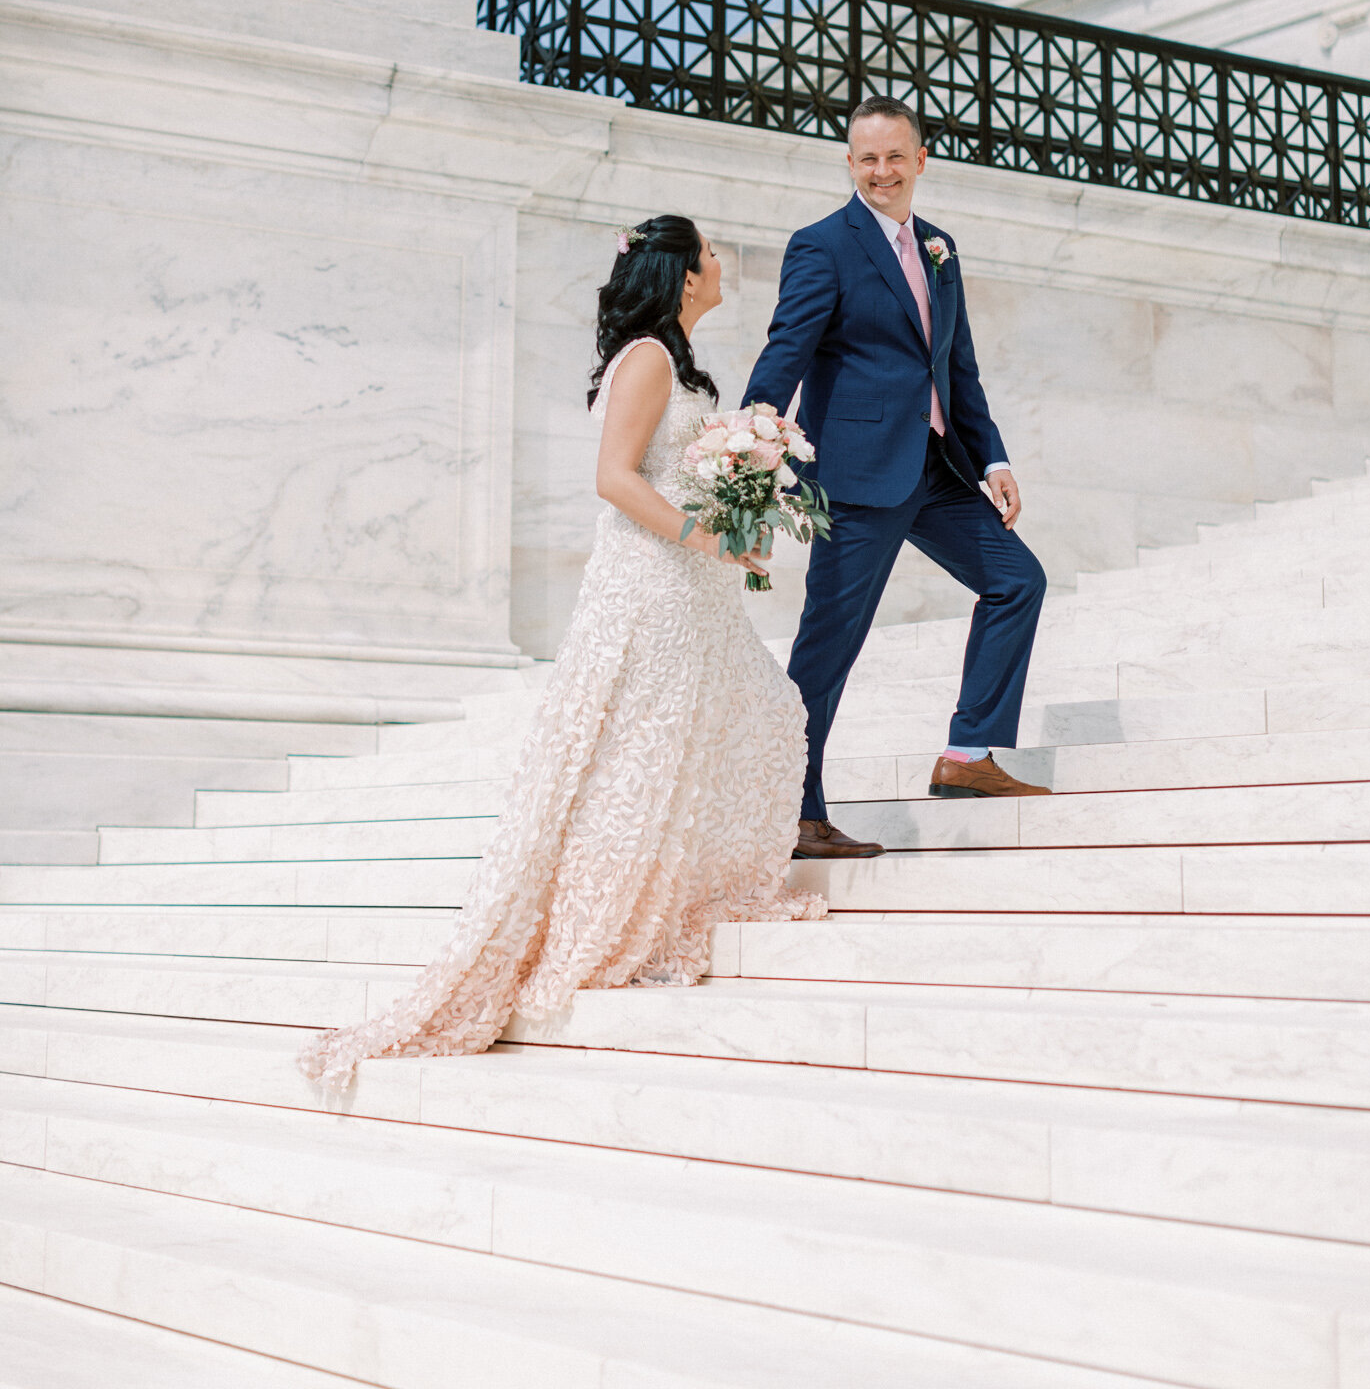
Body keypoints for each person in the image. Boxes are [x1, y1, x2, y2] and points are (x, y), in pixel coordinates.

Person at [302, 215, 823, 1090]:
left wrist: (740, 496)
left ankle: (663, 895)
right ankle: (611, 919)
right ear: (683, 277)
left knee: (740, 723)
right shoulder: (650, 359)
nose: (722, 264)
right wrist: (709, 536)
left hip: (685, 588)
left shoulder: (670, 357)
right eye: (710, 255)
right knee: (647, 754)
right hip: (655, 583)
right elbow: (614, 479)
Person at [744, 97, 1051, 861]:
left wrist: (994, 459)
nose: (880, 172)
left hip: (937, 469)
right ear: (850, 166)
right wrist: (751, 436)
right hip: (854, 477)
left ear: (920, 160)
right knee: (828, 645)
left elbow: (957, 368)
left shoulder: (940, 246)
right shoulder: (822, 246)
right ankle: (793, 810)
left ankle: (967, 756)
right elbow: (787, 348)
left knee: (1017, 580)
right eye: (865, 159)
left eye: (893, 157)